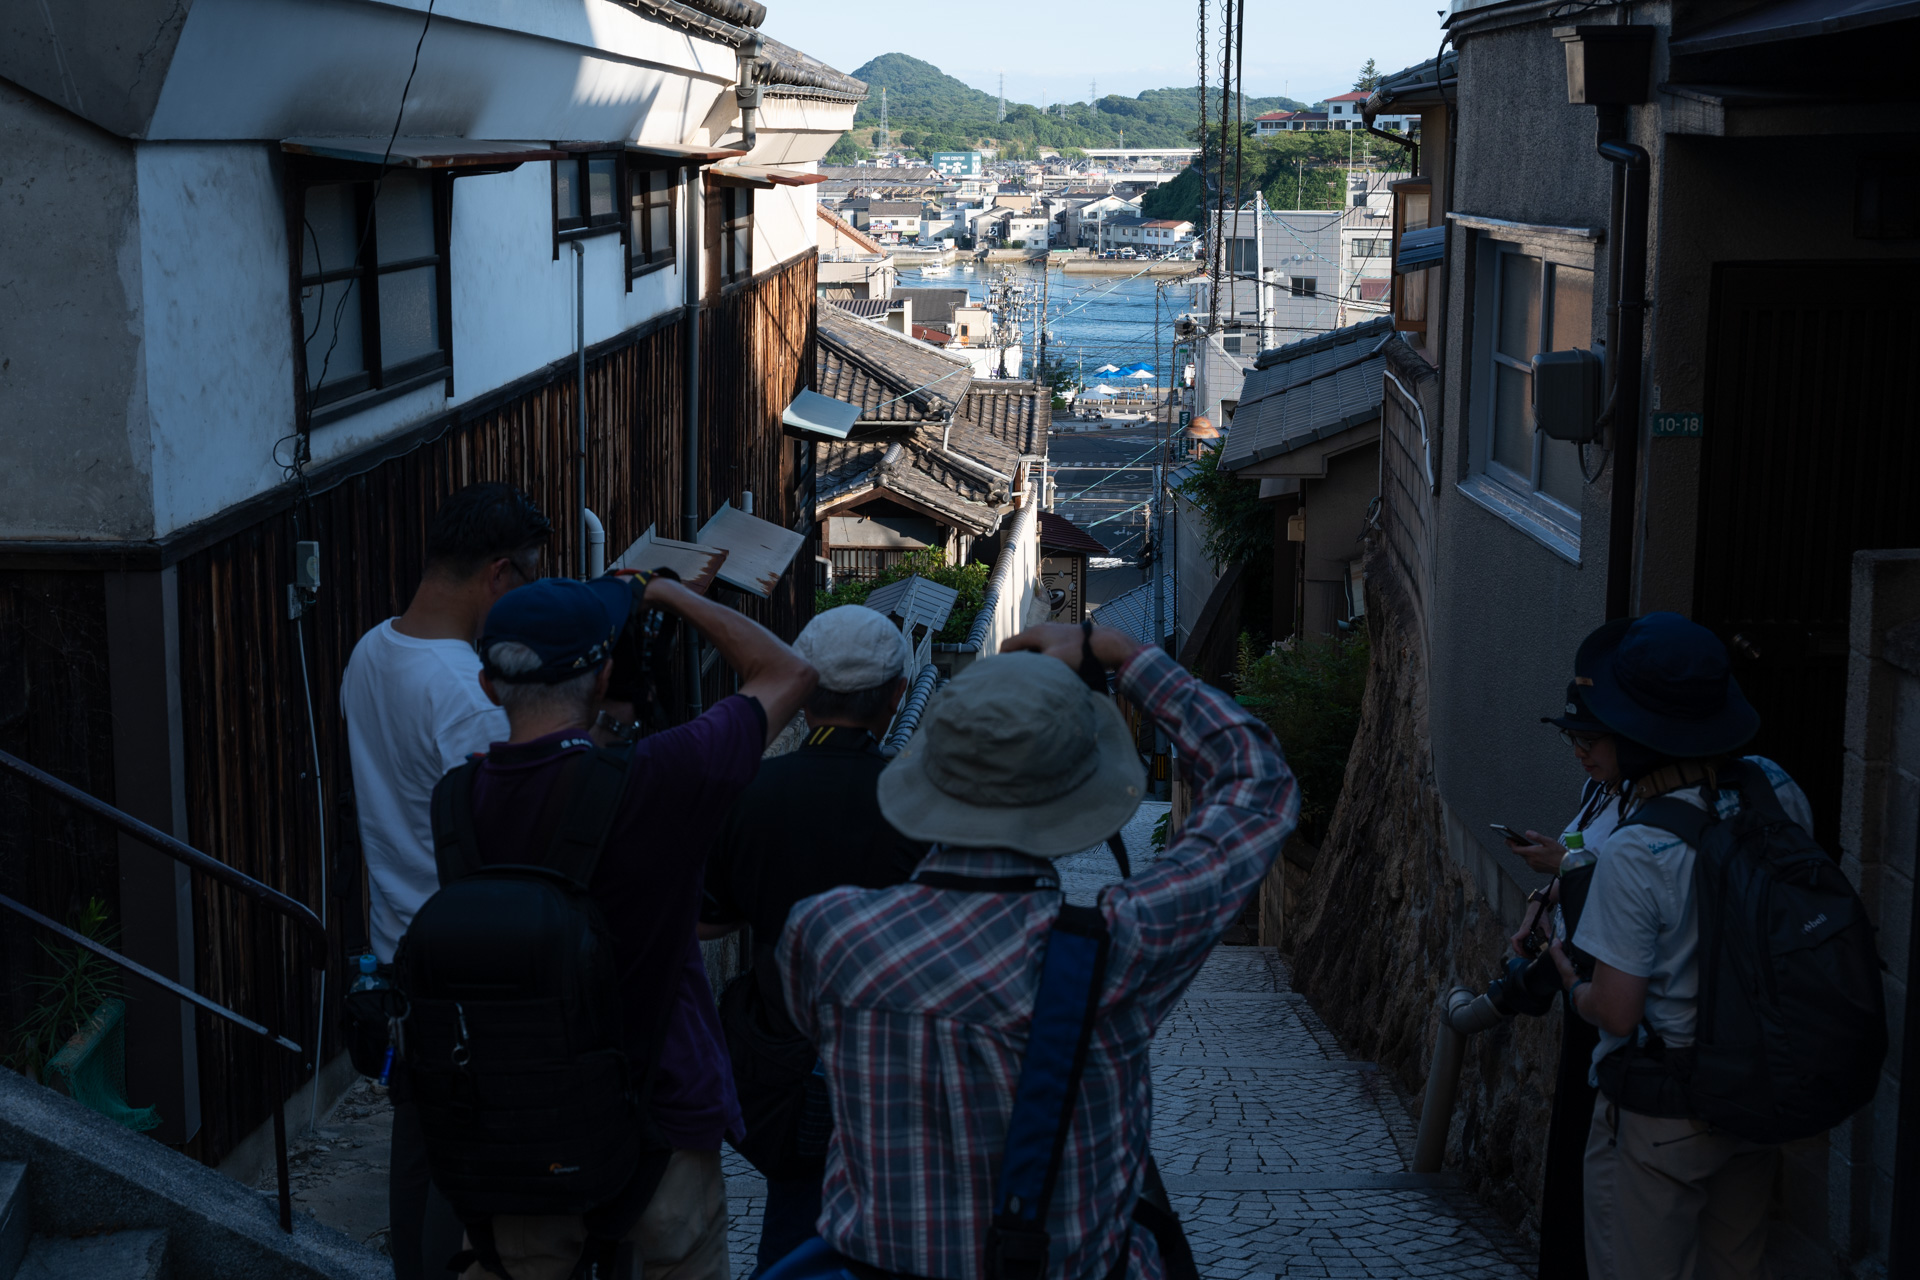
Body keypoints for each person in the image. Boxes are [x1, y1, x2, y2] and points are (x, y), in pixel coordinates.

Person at [777, 621, 1299, 1278]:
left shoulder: (827, 933)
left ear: (932, 770)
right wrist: (1127, 658)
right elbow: (1259, 787)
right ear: (1074, 796)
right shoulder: (1117, 947)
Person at [453, 572, 815, 1280]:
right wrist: (670, 595)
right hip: (663, 1118)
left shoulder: (458, 798)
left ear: (489, 686)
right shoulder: (660, 777)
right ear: (605, 674)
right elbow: (789, 671)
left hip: (518, 1130)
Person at [1545, 613, 1813, 1280]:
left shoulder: (1641, 846)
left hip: (1665, 1108)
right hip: (1761, 1090)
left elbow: (1617, 1010)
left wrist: (1569, 982)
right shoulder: (1775, 789)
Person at [340, 481, 549, 1280]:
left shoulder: (372, 650)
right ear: (499, 574)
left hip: (401, 943)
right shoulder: (464, 692)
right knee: (473, 1177)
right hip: (471, 961)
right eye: (528, 577)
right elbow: (507, 835)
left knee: (419, 1146)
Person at [702, 606, 931, 1274]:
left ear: (803, 688)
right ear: (896, 696)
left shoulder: (752, 791)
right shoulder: (920, 799)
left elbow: (708, 917)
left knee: (795, 1226)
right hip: (903, 1059)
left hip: (787, 1058)